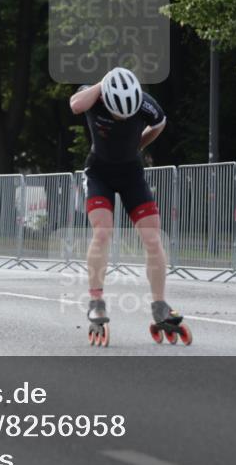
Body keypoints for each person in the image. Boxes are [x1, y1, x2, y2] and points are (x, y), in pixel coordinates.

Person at [69, 67, 191, 346]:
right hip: (99, 173)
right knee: (102, 232)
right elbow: (75, 105)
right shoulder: (93, 95)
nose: (120, 118)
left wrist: (139, 145)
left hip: (131, 173)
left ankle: (160, 305)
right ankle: (96, 300)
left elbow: (159, 123)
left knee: (152, 238)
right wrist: (102, 83)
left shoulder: (146, 104)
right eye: (115, 114)